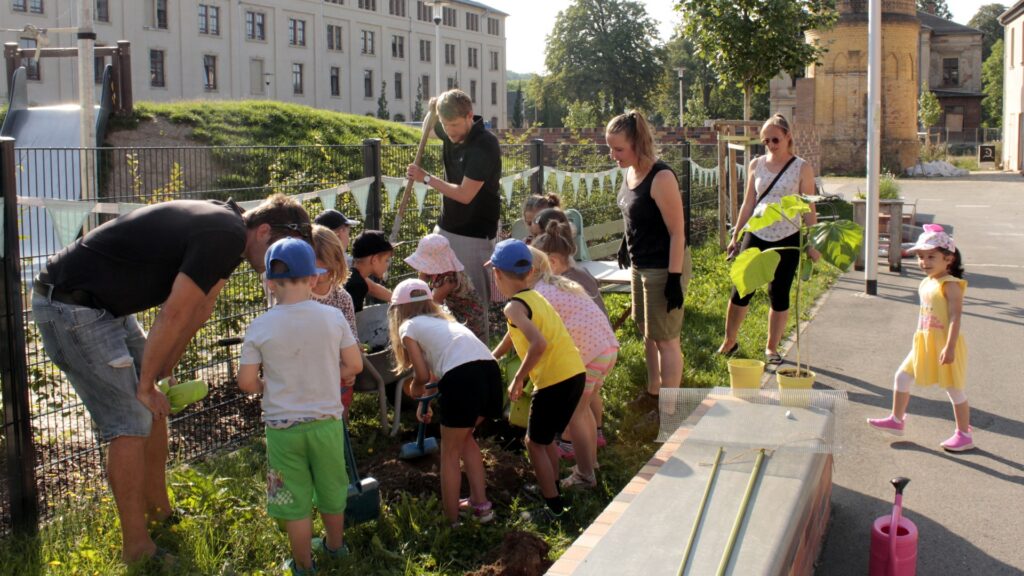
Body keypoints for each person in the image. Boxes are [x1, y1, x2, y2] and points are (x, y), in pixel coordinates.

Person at [31, 194, 310, 564]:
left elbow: (201, 307)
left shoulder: (228, 232)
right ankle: (137, 548)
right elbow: (174, 313)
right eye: (281, 249)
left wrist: (164, 371)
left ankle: (159, 511)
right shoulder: (225, 234)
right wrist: (145, 385)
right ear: (262, 231)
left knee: (155, 406)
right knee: (129, 420)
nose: (281, 263)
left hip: (105, 307)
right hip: (71, 305)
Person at [238, 238, 363, 574]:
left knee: (292, 498)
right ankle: (336, 547)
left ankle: (304, 565)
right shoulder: (333, 317)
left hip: (282, 430)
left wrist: (268, 385)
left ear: (268, 281)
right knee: (332, 485)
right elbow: (354, 366)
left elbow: (247, 383)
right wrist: (327, 373)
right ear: (312, 278)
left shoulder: (260, 325)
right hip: (326, 423)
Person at [387, 279, 503, 525]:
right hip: (490, 373)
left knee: (449, 452)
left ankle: (450, 519)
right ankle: (481, 506)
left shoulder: (408, 326)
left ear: (398, 311)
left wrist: (415, 390)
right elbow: (440, 376)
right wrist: (425, 404)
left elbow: (421, 375)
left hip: (463, 379)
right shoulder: (444, 325)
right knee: (466, 439)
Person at [489, 239, 585, 521]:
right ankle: (552, 487)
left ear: (497, 274)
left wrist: (518, 379)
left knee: (533, 443)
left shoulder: (512, 308)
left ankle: (553, 507)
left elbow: (538, 344)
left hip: (553, 379)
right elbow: (516, 332)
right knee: (544, 440)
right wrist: (492, 355)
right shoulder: (534, 297)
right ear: (530, 271)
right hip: (574, 373)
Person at [717, 113, 820, 365]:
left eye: (775, 139)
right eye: (766, 141)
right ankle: (730, 340)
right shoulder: (757, 165)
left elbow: (808, 207)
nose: (771, 145)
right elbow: (749, 202)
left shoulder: (802, 167)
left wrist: (812, 241)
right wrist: (737, 234)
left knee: (780, 293)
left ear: (788, 137)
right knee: (741, 289)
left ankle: (771, 348)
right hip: (757, 233)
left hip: (788, 236)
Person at [607, 110, 691, 414]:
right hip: (641, 265)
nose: (613, 155)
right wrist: (623, 246)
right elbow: (635, 216)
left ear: (638, 144)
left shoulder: (662, 177)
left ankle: (669, 410)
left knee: (667, 339)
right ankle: (653, 392)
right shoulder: (629, 172)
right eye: (610, 148)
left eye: (619, 149)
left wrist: (674, 278)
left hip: (665, 265)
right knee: (648, 333)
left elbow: (678, 231)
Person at [406, 89, 502, 341]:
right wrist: (434, 105)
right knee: (436, 294)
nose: (449, 131)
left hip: (474, 235)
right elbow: (431, 121)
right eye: (446, 125)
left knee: (473, 302)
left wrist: (425, 178)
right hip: (446, 229)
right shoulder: (449, 128)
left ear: (469, 116)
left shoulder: (485, 145)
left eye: (455, 125)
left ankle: (480, 356)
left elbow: (464, 194)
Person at [868, 225, 973, 452]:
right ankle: (897, 420)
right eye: (921, 257)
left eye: (931, 257)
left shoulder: (951, 285)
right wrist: (918, 340)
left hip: (945, 343)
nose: (924, 262)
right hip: (924, 342)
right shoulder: (927, 282)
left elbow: (956, 316)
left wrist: (950, 346)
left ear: (949, 259)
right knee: (902, 377)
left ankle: (964, 434)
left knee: (954, 389)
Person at [528, 247, 618, 489]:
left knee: (575, 414)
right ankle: (590, 464)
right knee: (584, 409)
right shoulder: (558, 283)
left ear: (528, 273)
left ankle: (585, 476)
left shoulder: (538, 294)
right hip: (606, 348)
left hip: (587, 355)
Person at [311, 224, 358, 415]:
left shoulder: (342, 298)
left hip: (339, 371)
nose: (321, 277)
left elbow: (352, 338)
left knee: (339, 415)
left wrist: (350, 369)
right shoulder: (298, 296)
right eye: (315, 271)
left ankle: (341, 439)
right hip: (309, 374)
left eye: (327, 270)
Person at [404, 233, 486, 341]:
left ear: (436, 260)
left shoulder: (449, 279)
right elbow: (420, 286)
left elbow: (432, 303)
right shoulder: (435, 269)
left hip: (469, 321)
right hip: (455, 314)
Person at [532, 212, 608, 316]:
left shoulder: (562, 285)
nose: (536, 272)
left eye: (538, 266)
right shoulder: (581, 272)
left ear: (553, 262)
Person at [345, 230, 394, 312]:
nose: (387, 265)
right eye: (386, 260)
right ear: (374, 260)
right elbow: (350, 322)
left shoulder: (352, 276)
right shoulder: (357, 285)